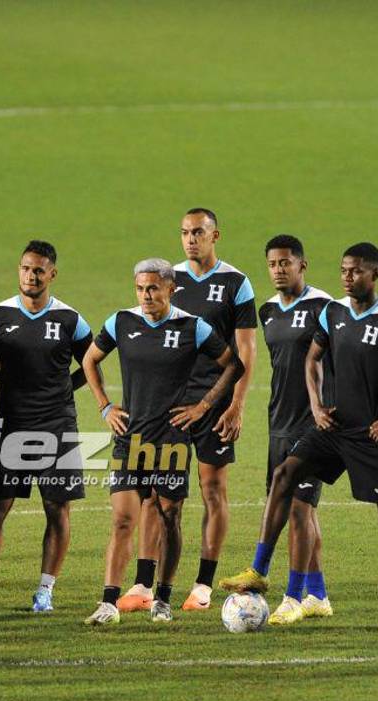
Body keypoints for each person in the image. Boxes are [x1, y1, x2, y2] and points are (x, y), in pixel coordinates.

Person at [220, 242, 378, 635]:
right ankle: (260, 569)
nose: (347, 277)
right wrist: (318, 407)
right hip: (332, 427)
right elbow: (312, 357)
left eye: (355, 271)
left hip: (375, 435)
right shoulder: (334, 312)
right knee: (285, 477)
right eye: (343, 270)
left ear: (375, 274)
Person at [82, 258, 243, 625]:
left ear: (171, 289)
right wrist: (105, 406)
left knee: (170, 518)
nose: (146, 295)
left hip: (171, 441)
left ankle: (163, 598)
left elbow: (233, 364)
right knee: (123, 519)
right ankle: (108, 602)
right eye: (140, 289)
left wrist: (203, 406)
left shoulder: (192, 327)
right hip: (129, 439)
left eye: (153, 288)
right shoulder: (122, 322)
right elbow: (90, 360)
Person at [120, 208, 256, 613]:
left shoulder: (236, 283)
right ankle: (144, 585)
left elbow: (245, 351)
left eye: (198, 232)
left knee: (213, 490)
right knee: (154, 498)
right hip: (169, 409)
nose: (190, 239)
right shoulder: (168, 280)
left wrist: (235, 405)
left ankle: (202, 587)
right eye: (184, 233)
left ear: (216, 235)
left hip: (213, 404)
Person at [0, 240, 93, 613]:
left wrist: (64, 388)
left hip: (57, 424)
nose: (31, 276)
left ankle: (45, 592)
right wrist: (13, 385)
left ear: (52, 274)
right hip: (12, 423)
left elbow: (91, 363)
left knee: (57, 508)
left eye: (38, 270)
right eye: (25, 268)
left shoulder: (70, 319)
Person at [255, 235, 334, 625]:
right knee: (300, 509)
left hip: (313, 424)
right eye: (272, 263)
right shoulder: (267, 309)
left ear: (303, 265)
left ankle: (292, 595)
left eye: (286, 263)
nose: (278, 270)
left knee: (300, 509)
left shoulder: (325, 307)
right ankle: (318, 594)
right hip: (278, 421)